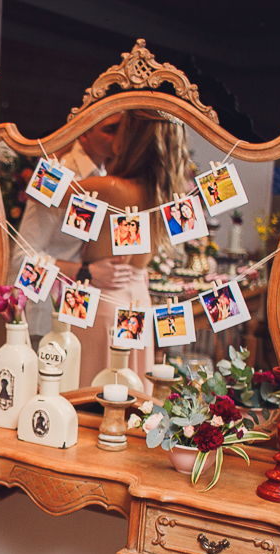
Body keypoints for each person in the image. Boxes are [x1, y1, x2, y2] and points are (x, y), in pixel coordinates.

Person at [74, 110, 190, 386]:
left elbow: (44, 191)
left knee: (90, 392)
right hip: (139, 301)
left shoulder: (111, 188)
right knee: (132, 393)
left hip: (103, 305)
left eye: (121, 127)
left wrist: (66, 145)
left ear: (133, 137)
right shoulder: (169, 195)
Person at [8, 116, 131, 338]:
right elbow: (21, 259)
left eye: (123, 129)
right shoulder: (55, 177)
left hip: (77, 310)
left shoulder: (107, 176)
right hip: (43, 314)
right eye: (110, 129)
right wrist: (86, 273)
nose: (119, 137)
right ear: (84, 133)